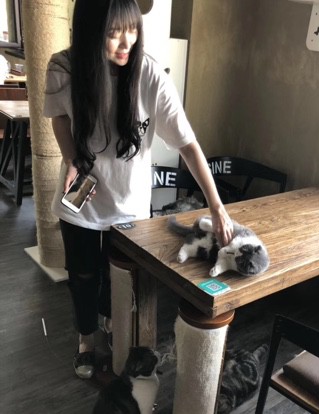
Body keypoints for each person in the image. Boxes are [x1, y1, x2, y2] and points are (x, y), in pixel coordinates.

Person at [43, 0, 233, 379]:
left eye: (131, 28)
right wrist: (70, 157)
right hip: (81, 201)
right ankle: (86, 339)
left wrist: (217, 207)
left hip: (129, 207)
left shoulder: (150, 75)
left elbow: (188, 145)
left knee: (119, 276)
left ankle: (112, 322)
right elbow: (59, 116)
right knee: (82, 275)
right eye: (113, 32)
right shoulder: (64, 68)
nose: (126, 41)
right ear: (90, 31)